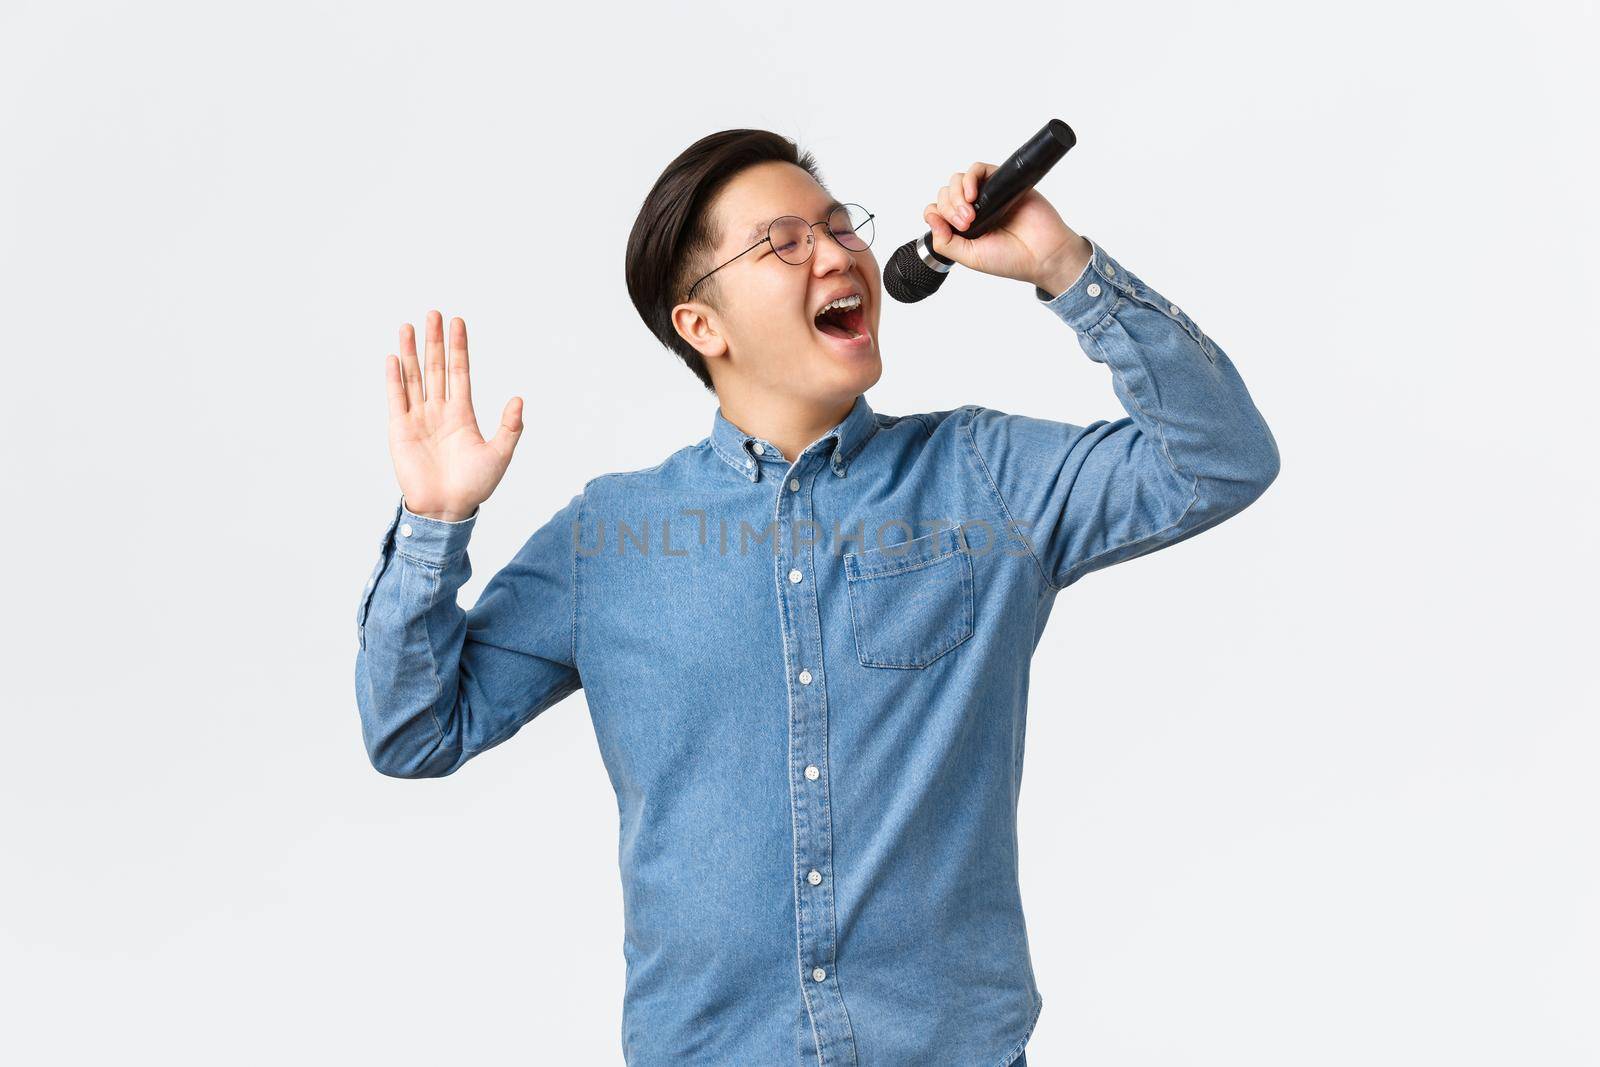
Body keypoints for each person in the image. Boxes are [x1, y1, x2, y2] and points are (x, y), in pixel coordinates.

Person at [353, 128, 1280, 1066]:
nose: (838, 252)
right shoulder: (610, 539)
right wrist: (433, 528)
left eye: (841, 227)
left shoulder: (985, 478)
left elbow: (1220, 458)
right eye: (785, 241)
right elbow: (415, 731)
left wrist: (1064, 266)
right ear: (701, 326)